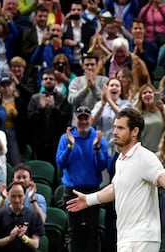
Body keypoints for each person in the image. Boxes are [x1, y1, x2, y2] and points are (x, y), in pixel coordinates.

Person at [66, 108, 165, 252]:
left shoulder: (145, 157)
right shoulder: (120, 160)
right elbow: (114, 188)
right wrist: (88, 200)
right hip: (127, 238)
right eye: (115, 127)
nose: (115, 132)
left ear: (134, 132)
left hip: (142, 238)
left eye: (121, 128)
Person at [56, 105, 108, 252]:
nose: (83, 121)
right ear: (75, 119)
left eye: (86, 118)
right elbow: (60, 163)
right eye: (80, 118)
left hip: (92, 190)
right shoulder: (65, 138)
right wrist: (70, 147)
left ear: (91, 119)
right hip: (72, 190)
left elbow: (102, 166)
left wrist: (97, 148)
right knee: (74, 231)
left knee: (93, 230)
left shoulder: (98, 137)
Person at [27, 69, 71, 165]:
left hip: (56, 141)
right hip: (39, 142)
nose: (48, 81)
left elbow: (65, 119)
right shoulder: (35, 98)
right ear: (42, 82)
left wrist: (54, 108)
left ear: (56, 81)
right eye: (45, 78)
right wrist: (41, 109)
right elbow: (30, 120)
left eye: (51, 79)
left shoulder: (62, 98)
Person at [0, 181, 45, 252]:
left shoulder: (34, 216)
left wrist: (23, 238)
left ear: (24, 196)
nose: (17, 200)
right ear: (8, 195)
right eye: (13, 196)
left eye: (20, 196)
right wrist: (10, 238)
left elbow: (35, 244)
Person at [92, 78, 132, 156]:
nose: (114, 87)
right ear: (107, 89)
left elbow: (123, 116)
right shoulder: (99, 104)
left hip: (119, 149)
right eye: (112, 85)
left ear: (120, 91)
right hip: (102, 147)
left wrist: (108, 100)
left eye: (117, 86)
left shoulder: (126, 104)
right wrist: (102, 106)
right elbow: (92, 123)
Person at [68, 53, 108, 123]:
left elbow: (106, 100)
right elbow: (72, 100)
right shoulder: (76, 81)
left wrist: (93, 86)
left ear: (97, 65)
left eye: (92, 64)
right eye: (87, 65)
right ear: (82, 66)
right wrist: (86, 88)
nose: (89, 67)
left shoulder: (104, 80)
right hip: (79, 122)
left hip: (99, 121)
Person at [135, 84, 165, 152]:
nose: (147, 94)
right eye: (144, 93)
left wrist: (162, 111)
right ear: (141, 97)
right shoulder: (137, 113)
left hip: (161, 150)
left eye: (150, 92)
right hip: (144, 150)